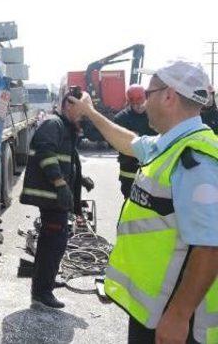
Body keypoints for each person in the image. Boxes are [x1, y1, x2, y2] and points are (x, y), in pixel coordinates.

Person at [68, 60, 218, 344]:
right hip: (157, 309)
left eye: (148, 94)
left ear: (169, 96)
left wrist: (179, 315)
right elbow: (129, 142)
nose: (144, 102)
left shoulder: (196, 161)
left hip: (177, 317)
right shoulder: (170, 144)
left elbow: (210, 246)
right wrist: (89, 111)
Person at [20, 88, 89, 309]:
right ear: (69, 104)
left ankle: (45, 284)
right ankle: (41, 293)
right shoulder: (53, 124)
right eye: (81, 110)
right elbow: (46, 154)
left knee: (52, 243)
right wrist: (60, 184)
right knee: (54, 243)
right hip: (51, 197)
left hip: (55, 197)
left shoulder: (64, 127)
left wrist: (80, 179)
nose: (84, 115)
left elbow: (64, 159)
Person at [113, 84, 157, 199]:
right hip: (129, 172)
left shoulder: (156, 115)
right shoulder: (121, 119)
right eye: (134, 104)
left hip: (153, 170)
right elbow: (117, 143)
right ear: (129, 102)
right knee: (131, 203)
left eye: (141, 103)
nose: (138, 106)